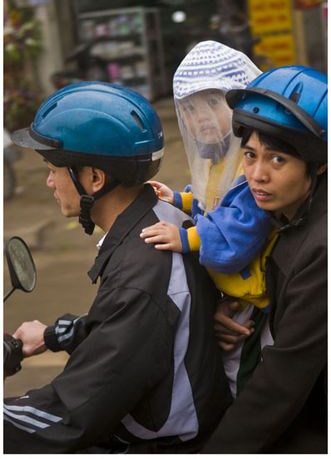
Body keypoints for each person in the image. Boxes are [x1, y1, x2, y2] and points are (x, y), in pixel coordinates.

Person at [4, 82, 232, 453]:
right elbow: (127, 329)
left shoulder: (140, 272)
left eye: (52, 169)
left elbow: (71, 414)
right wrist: (52, 335)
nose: (47, 182)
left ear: (94, 178)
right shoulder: (162, 216)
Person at [202, 65, 327, 453]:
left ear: (318, 164)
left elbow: (283, 379)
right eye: (251, 156)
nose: (256, 175)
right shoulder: (278, 217)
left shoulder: (321, 248)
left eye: (277, 161)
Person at [141, 40, 274, 311]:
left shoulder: (251, 166)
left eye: (213, 102)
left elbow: (239, 228)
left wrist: (185, 238)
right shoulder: (220, 156)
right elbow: (216, 198)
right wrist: (182, 199)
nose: (201, 117)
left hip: (254, 301)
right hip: (230, 293)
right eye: (189, 109)